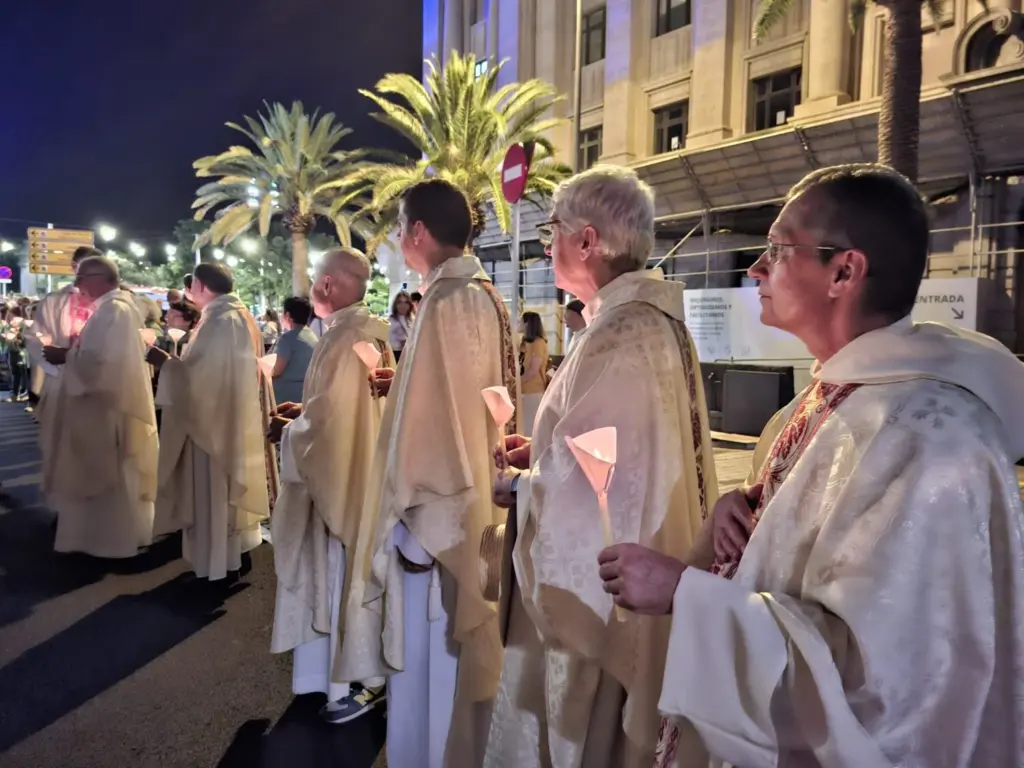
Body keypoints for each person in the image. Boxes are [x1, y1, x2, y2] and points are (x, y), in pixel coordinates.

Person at [598, 164, 1024, 768]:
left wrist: (683, 591)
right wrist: (740, 515)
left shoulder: (934, 442)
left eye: (777, 248)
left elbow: (882, 684)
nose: (755, 268)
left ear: (844, 271)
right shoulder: (826, 395)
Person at [484, 167, 717, 768]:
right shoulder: (642, 322)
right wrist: (540, 457)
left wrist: (522, 486)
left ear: (587, 241)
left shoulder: (621, 333)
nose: (546, 243)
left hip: (614, 599)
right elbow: (615, 454)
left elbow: (596, 495)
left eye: (552, 229)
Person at [338, 179, 519, 768]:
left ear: (418, 232)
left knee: (431, 667)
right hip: (474, 508)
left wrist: (416, 531)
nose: (396, 237)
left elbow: (444, 435)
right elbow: (460, 406)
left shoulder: (447, 301)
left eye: (398, 227)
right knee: (442, 672)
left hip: (438, 525)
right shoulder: (479, 293)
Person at [269, 248, 396, 723]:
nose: (313, 290)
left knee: (343, 577)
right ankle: (334, 676)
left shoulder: (347, 336)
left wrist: (289, 431)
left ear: (328, 286)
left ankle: (360, 679)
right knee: (347, 575)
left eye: (318, 281)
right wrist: (303, 418)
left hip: (341, 479)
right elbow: (336, 412)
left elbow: (332, 423)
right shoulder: (362, 331)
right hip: (358, 473)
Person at [149, 263, 269, 580]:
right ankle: (230, 558)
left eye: (191, 287)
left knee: (213, 494)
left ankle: (217, 564)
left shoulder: (221, 320)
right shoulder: (233, 315)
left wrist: (166, 364)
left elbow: (202, 380)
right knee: (222, 496)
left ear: (200, 285)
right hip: (224, 421)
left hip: (212, 429)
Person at [40, 256, 158, 558]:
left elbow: (106, 365)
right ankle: (97, 539)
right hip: (101, 408)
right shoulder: (111, 310)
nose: (77, 284)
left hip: (107, 411)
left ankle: (108, 542)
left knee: (108, 476)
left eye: (82, 277)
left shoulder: (115, 311)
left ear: (101, 277)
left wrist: (64, 356)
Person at [26, 246, 102, 427]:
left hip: (100, 382)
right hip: (61, 380)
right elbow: (35, 338)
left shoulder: (110, 301)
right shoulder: (54, 302)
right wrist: (55, 364)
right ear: (74, 267)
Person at [270, 296, 318, 406]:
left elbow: (276, 370)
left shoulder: (287, 338)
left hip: (285, 398)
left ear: (288, 315)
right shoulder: (313, 337)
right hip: (305, 395)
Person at [517, 311, 549, 438]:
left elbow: (533, 370)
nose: (518, 323)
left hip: (533, 391)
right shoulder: (525, 344)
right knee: (523, 427)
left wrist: (516, 383)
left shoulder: (538, 343)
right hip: (524, 391)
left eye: (521, 321)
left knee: (529, 429)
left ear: (527, 323)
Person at [388, 290, 415, 362]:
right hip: (394, 356)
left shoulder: (412, 320)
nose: (403, 306)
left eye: (406, 302)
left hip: (409, 355)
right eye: (400, 302)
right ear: (395, 304)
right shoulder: (390, 321)